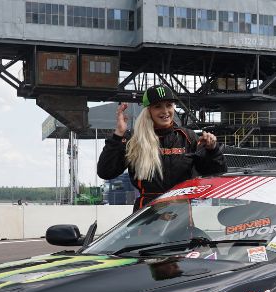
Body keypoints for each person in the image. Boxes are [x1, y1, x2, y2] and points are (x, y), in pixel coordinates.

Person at [97, 85, 226, 208]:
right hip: (148, 216)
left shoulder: (188, 137)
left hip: (182, 213)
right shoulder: (135, 140)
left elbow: (216, 174)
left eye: (169, 105)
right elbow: (105, 172)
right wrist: (118, 135)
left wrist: (212, 150)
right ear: (148, 111)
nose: (165, 111)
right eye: (158, 106)